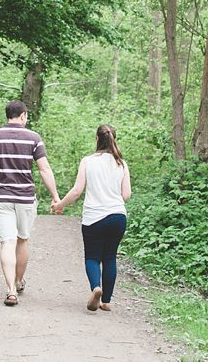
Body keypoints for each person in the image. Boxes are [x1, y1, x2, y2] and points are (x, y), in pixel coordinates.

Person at [0, 99, 60, 307]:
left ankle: (11, 290)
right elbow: (44, 169)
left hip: (2, 197)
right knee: (22, 240)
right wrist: (55, 196)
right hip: (25, 198)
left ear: (8, 115)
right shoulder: (33, 138)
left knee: (7, 242)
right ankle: (18, 280)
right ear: (23, 115)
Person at [52, 124, 131, 312]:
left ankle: (96, 288)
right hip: (118, 216)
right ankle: (106, 300)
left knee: (93, 257)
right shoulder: (121, 163)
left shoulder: (88, 161)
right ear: (114, 139)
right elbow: (126, 194)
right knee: (110, 257)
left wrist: (59, 205)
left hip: (94, 217)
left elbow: (77, 191)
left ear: (97, 139)